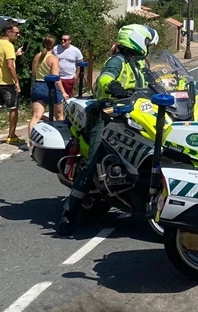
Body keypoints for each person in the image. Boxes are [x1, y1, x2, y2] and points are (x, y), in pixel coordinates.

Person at [58, 24, 159, 236]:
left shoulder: (138, 64)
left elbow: (152, 82)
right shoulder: (117, 61)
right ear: (135, 40)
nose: (148, 46)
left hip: (133, 115)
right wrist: (113, 87)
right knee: (94, 159)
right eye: (146, 42)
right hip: (108, 117)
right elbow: (103, 80)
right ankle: (69, 213)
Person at [0, 23, 23, 146]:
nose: (18, 35)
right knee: (13, 108)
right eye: (16, 33)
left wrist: (16, 55)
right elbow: (10, 66)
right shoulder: (8, 46)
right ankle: (11, 135)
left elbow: (0, 59)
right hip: (6, 82)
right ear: (8, 32)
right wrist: (16, 81)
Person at [29, 35, 67, 137]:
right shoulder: (53, 58)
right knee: (59, 115)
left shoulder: (37, 56)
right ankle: (61, 136)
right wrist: (63, 92)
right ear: (54, 46)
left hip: (38, 85)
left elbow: (33, 72)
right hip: (50, 86)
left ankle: (30, 139)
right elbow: (56, 77)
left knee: (36, 116)